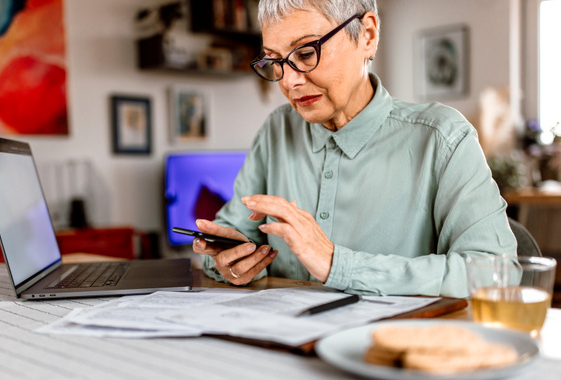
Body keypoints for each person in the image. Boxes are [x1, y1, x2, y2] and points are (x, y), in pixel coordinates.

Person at [191, 0, 517, 297]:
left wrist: (338, 264)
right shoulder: (278, 129)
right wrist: (228, 262)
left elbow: (494, 274)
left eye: (305, 53)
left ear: (368, 36)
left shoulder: (442, 138)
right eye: (274, 62)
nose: (288, 81)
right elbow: (234, 236)